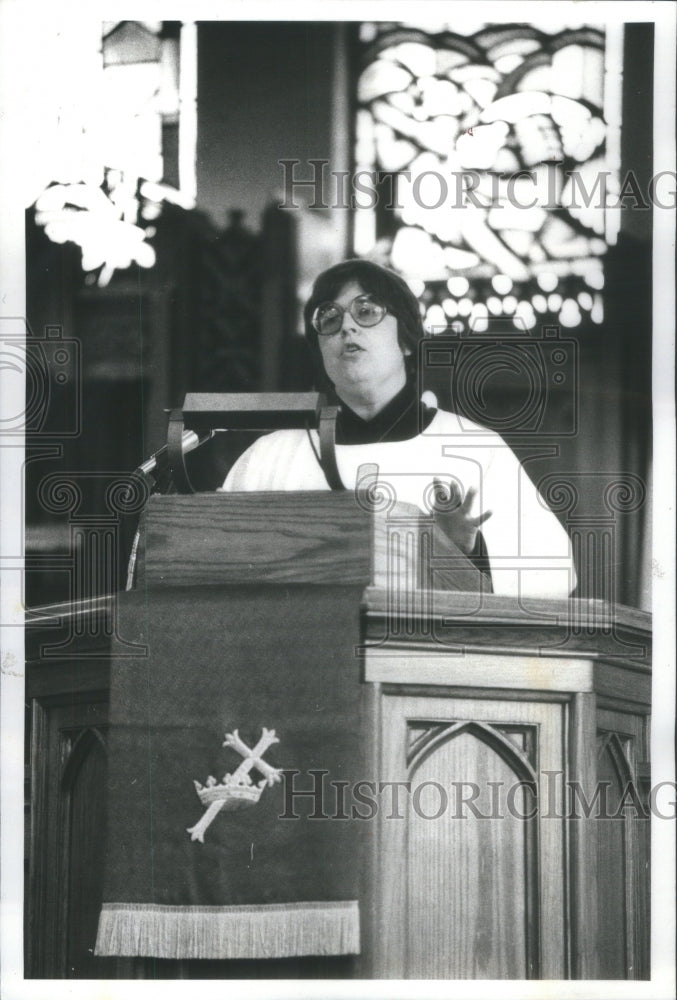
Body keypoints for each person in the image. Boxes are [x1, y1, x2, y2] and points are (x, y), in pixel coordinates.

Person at [221, 259, 576, 598]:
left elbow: (553, 576)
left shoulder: (476, 449)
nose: (346, 327)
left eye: (367, 311)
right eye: (329, 318)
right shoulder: (270, 457)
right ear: (320, 352)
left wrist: (460, 551)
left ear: (406, 340)